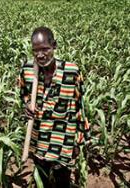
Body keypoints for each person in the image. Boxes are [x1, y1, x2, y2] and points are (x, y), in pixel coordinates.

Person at [18, 26, 91, 188]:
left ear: (54, 46)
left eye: (45, 49)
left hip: (63, 137)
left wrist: (79, 140)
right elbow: (23, 94)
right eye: (35, 50)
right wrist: (26, 105)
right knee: (41, 177)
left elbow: (79, 107)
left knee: (62, 179)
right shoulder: (27, 70)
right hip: (40, 136)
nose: (40, 55)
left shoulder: (71, 71)